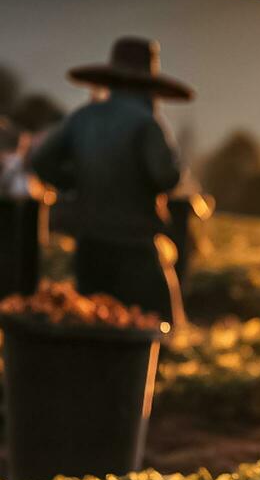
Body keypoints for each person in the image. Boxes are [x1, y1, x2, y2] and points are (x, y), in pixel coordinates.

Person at [30, 36, 192, 324]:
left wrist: (73, 182)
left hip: (90, 243)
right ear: (148, 86)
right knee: (153, 324)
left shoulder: (83, 117)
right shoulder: (147, 123)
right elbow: (165, 177)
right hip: (135, 246)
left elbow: (41, 160)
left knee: (92, 321)